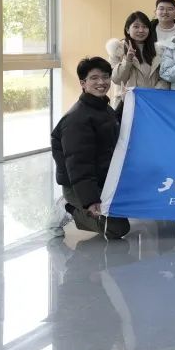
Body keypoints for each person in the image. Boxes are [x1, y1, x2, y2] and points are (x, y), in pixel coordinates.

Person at [50, 57, 130, 239]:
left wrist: (125, 102)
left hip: (101, 179)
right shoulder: (77, 120)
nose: (101, 82)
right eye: (94, 78)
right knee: (117, 229)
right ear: (83, 83)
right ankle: (67, 208)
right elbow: (79, 164)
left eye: (105, 77)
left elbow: (112, 125)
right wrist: (90, 200)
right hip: (77, 186)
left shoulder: (101, 108)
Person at [106, 11, 169, 111]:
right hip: (127, 104)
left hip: (152, 103)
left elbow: (165, 77)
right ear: (127, 29)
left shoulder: (158, 50)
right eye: (136, 26)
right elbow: (117, 79)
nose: (141, 30)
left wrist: (155, 93)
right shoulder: (118, 49)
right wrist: (128, 60)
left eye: (145, 27)